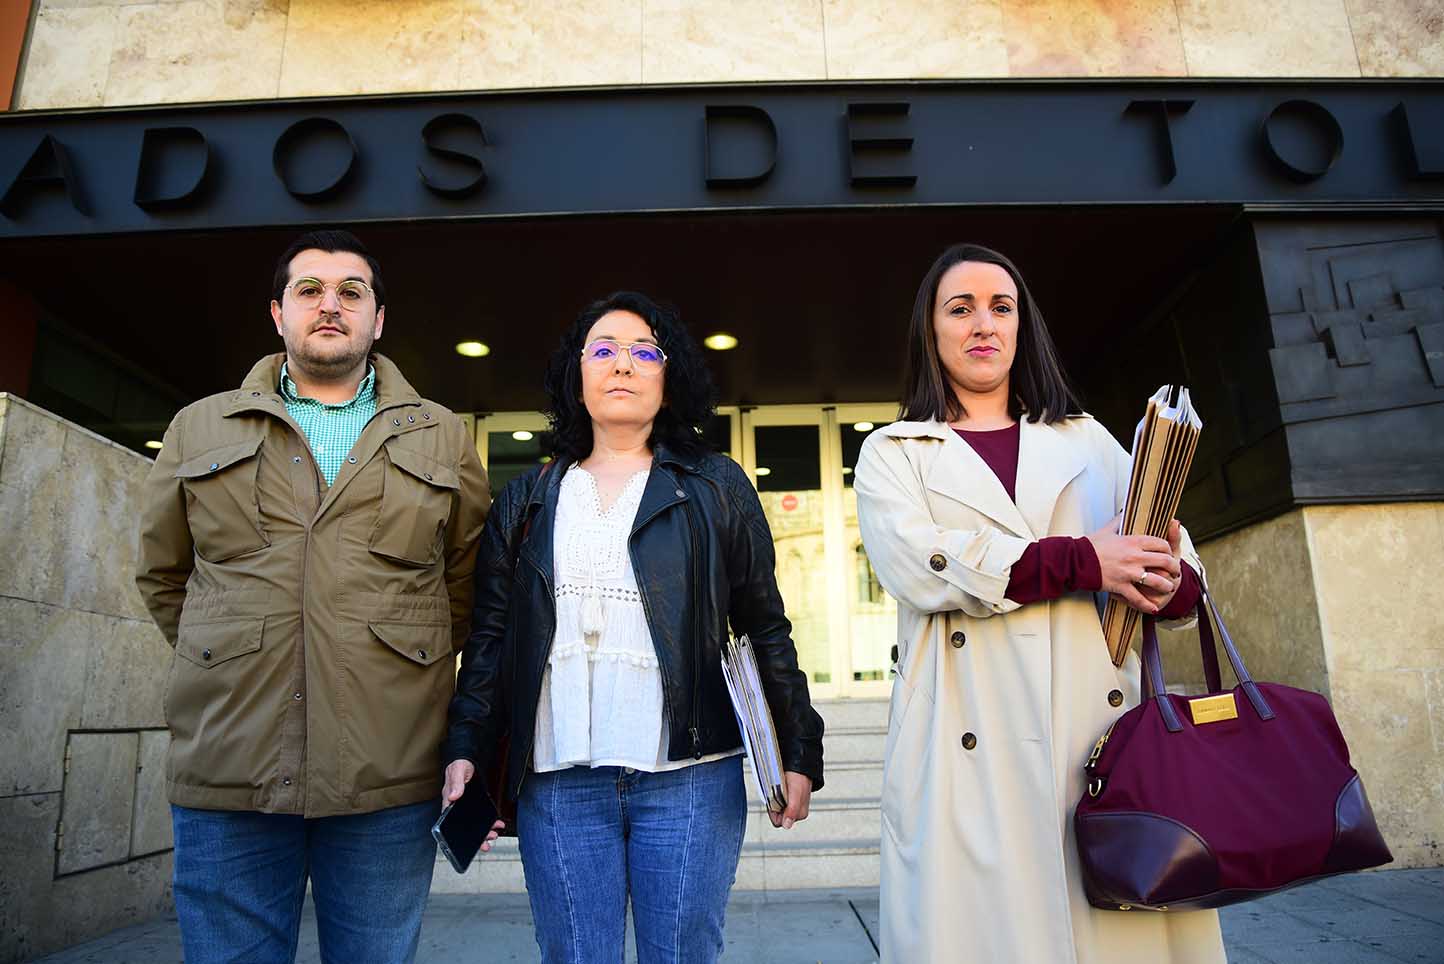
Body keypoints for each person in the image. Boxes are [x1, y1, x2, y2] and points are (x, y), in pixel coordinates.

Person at [853, 243, 1226, 963]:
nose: (982, 324)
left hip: (1096, 734)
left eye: (1002, 307)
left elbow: (1184, 574)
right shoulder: (896, 452)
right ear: (931, 332)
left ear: (1023, 327)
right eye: (959, 309)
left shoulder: (1085, 440)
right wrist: (1085, 559)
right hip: (968, 743)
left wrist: (1162, 574)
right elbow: (922, 568)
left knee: (1120, 934)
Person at [135, 229, 490, 964]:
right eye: (310, 291)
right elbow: (164, 576)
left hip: (388, 779)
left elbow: (465, 589)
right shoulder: (196, 426)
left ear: (378, 320)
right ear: (277, 314)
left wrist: (399, 662)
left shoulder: (443, 436)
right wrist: (229, 650)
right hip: (230, 769)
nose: (331, 306)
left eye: (351, 293)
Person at [443, 291, 824, 963]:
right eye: (604, 351)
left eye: (644, 352)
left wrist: (799, 748)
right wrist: (467, 745)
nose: (623, 365)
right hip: (559, 779)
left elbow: (766, 625)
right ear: (577, 376)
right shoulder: (526, 498)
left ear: (668, 378)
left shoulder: (716, 487)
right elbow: (491, 641)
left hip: (690, 779)